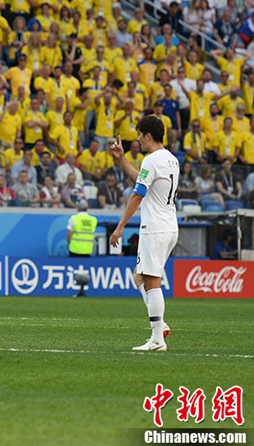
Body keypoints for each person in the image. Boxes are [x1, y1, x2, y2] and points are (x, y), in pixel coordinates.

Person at [109, 116, 178, 352]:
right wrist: (121, 160)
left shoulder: (151, 160)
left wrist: (120, 226)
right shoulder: (170, 159)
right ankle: (160, 324)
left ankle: (157, 338)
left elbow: (138, 194)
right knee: (139, 276)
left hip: (155, 228)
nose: (137, 139)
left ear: (148, 135)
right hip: (169, 226)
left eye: (139, 134)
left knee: (151, 281)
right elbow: (142, 179)